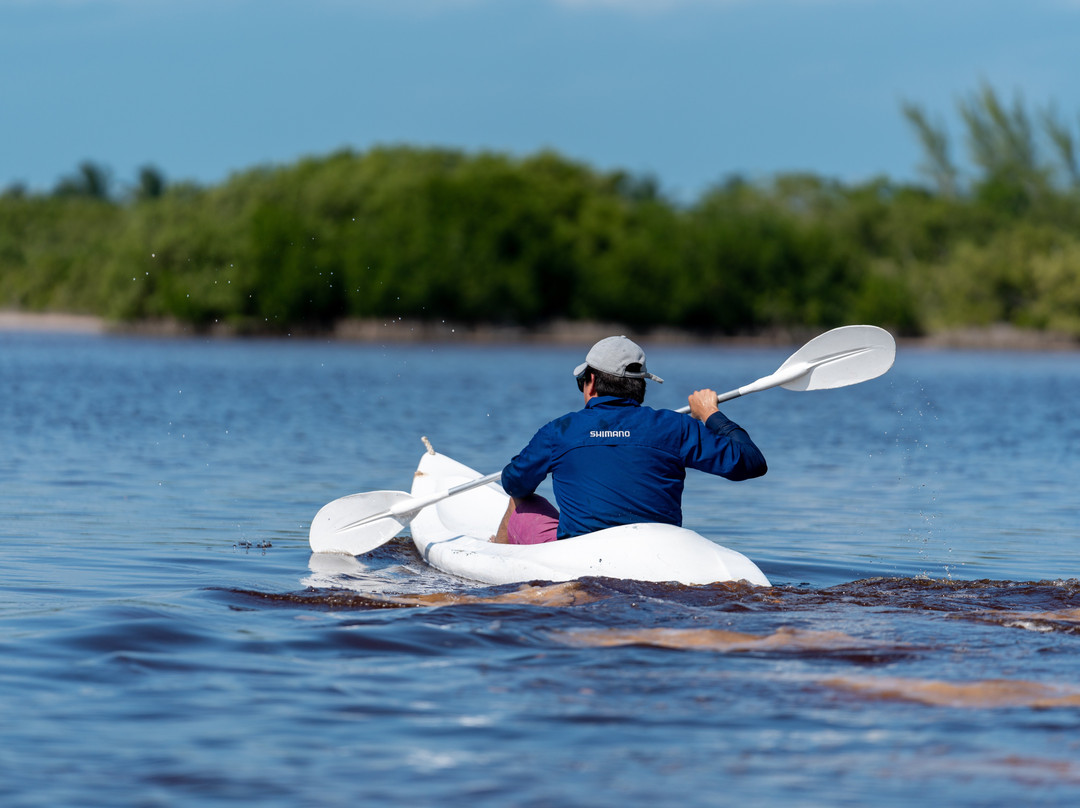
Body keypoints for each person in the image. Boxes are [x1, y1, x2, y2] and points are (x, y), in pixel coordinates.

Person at [492, 335, 767, 544]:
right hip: (657, 552)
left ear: (591, 381)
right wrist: (710, 414)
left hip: (579, 559)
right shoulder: (676, 427)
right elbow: (752, 462)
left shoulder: (559, 431)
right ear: (641, 386)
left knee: (519, 499)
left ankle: (497, 561)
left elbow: (513, 483)